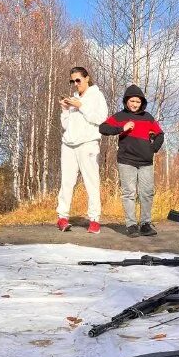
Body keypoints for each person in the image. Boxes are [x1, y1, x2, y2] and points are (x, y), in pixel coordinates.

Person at [99, 85, 164, 237]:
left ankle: (146, 224)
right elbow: (103, 128)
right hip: (126, 160)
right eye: (132, 101)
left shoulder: (148, 117)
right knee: (129, 193)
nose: (135, 104)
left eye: (138, 101)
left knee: (146, 193)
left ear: (142, 102)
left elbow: (160, 134)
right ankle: (131, 225)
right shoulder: (120, 116)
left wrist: (152, 149)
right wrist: (121, 128)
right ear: (126, 101)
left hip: (146, 162)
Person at [57, 66, 108, 234]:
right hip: (69, 144)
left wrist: (81, 106)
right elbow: (66, 125)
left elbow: (101, 119)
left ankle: (94, 220)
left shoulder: (97, 96)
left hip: (88, 143)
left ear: (87, 78)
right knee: (67, 181)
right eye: (72, 81)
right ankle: (62, 217)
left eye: (78, 80)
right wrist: (65, 110)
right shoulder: (74, 99)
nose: (75, 84)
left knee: (91, 181)